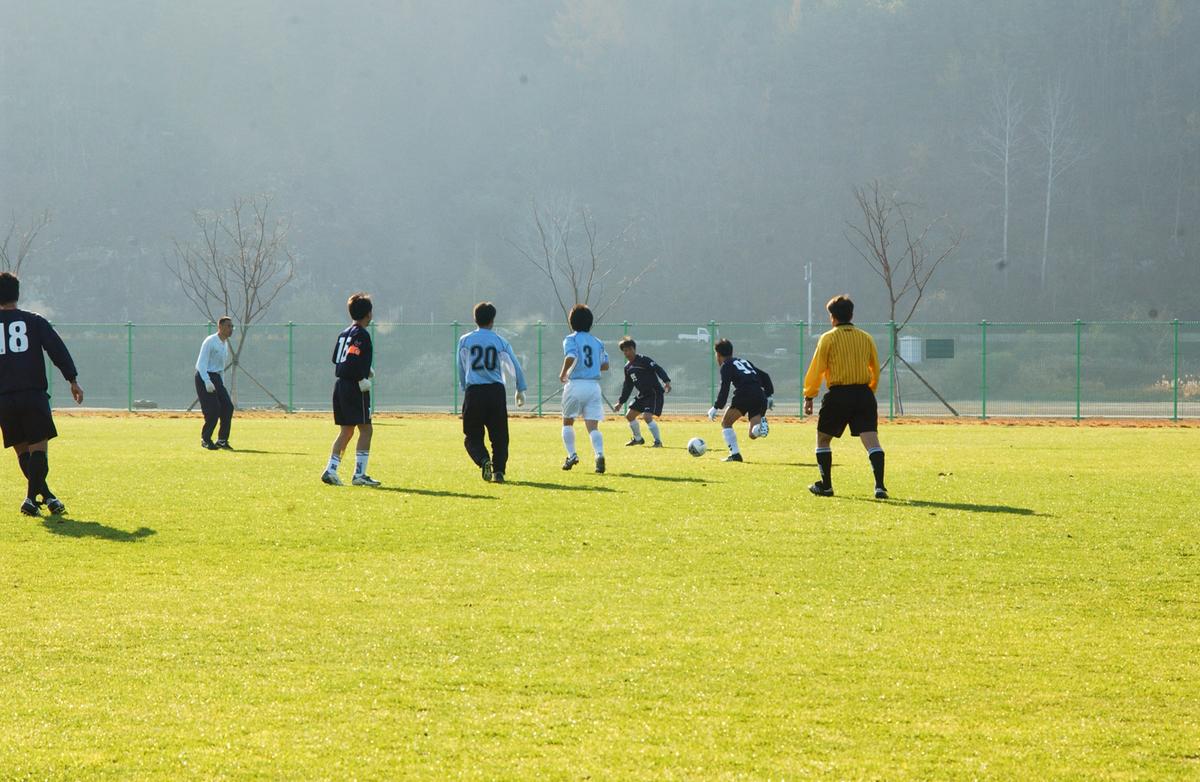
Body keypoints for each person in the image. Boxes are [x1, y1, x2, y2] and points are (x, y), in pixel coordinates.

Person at [0, 272, 84, 516]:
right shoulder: (34, 321)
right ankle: (30, 498)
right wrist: (72, 379)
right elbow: (57, 350)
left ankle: (47, 497)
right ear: (17, 294)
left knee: (23, 452)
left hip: (4, 399)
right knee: (38, 451)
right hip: (32, 395)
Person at [803, 294, 887, 499]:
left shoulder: (828, 338)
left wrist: (809, 396)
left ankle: (826, 486)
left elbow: (817, 369)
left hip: (839, 395)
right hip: (864, 394)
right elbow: (875, 369)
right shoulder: (866, 337)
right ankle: (880, 486)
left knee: (823, 439)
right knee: (872, 441)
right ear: (851, 315)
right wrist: (869, 392)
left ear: (832, 317)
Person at [457, 301, 528, 483]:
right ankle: (499, 471)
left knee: (472, 435)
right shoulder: (500, 341)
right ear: (492, 320)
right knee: (499, 436)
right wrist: (520, 388)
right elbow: (514, 366)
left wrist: (464, 387)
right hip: (495, 392)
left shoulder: (465, 340)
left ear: (475, 319)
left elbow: (461, 366)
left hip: (474, 391)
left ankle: (483, 459)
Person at [321, 293, 380, 487]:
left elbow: (336, 359)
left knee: (346, 431)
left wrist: (364, 368)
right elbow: (353, 359)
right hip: (354, 386)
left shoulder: (344, 333)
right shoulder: (361, 334)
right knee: (366, 429)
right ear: (368, 313)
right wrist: (362, 377)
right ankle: (359, 474)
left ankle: (331, 470)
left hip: (340, 385)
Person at [559, 304, 610, 473]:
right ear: (590, 322)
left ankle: (572, 455)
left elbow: (571, 356)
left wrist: (563, 373)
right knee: (593, 426)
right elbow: (605, 364)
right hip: (593, 387)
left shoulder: (571, 339)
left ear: (571, 322)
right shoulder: (598, 342)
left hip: (575, 384)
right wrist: (592, 367)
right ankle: (599, 454)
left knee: (567, 422)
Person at [707, 338, 774, 462]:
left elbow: (724, 388)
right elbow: (765, 376)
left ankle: (735, 455)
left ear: (718, 354)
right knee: (753, 434)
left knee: (726, 423)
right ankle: (759, 429)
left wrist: (716, 407)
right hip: (760, 395)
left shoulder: (726, 365)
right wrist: (769, 395)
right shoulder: (744, 361)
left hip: (745, 394)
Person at [612, 336, 671, 447]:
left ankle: (658, 442)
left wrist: (666, 381)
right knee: (629, 416)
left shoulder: (644, 360)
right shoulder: (627, 367)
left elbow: (658, 368)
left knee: (647, 417)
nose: (627, 352)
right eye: (625, 350)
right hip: (643, 395)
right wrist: (621, 402)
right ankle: (638, 439)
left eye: (629, 349)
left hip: (654, 393)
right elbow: (628, 386)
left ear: (634, 349)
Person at [194, 316, 235, 450]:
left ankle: (222, 440)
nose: (231, 329)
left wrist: (221, 383)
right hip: (204, 376)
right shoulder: (210, 341)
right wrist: (207, 381)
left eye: (232, 326)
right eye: (228, 326)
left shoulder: (225, 344)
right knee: (213, 410)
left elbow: (220, 367)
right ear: (220, 327)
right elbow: (201, 364)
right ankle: (206, 439)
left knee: (228, 407)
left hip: (216, 378)